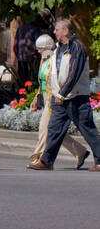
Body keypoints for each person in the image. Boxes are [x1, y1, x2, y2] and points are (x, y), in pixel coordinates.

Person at [30, 19, 100, 171]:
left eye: (57, 29)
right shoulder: (59, 49)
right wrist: (55, 94)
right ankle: (47, 161)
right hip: (59, 98)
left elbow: (74, 73)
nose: (54, 32)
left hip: (76, 97)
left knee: (87, 129)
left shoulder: (77, 48)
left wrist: (61, 94)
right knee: (54, 129)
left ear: (66, 31)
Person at [28, 34, 87, 170]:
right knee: (55, 132)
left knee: (45, 129)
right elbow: (42, 82)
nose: (38, 51)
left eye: (40, 49)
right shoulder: (44, 61)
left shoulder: (55, 61)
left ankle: (40, 158)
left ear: (47, 48)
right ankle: (80, 151)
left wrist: (55, 99)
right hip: (46, 97)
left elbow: (59, 81)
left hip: (53, 99)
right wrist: (36, 98)